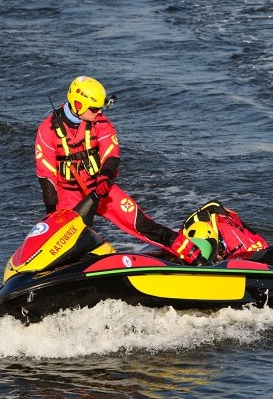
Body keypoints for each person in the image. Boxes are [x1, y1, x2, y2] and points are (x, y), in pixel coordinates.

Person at [34, 76, 206, 265]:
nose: (99, 111)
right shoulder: (47, 130)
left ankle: (195, 256)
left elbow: (111, 153)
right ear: (77, 104)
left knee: (142, 224)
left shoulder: (100, 122)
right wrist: (53, 215)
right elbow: (46, 176)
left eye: (101, 107)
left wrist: (105, 178)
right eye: (94, 108)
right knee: (62, 242)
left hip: (101, 188)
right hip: (68, 195)